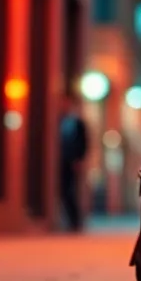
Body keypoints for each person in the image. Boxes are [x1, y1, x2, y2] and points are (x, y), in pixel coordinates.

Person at [58, 92, 89, 231]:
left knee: (70, 191)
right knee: (63, 191)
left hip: (72, 162)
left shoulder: (77, 123)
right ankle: (67, 220)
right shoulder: (58, 121)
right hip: (60, 162)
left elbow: (84, 143)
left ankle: (75, 221)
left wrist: (79, 159)